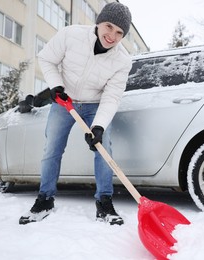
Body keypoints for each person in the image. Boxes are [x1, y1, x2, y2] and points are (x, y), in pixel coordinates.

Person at [19, 2, 132, 225]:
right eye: (109, 26)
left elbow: (111, 97)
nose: (112, 35)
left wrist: (98, 126)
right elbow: (47, 59)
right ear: (99, 22)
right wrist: (55, 85)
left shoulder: (122, 60)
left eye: (119, 32)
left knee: (103, 149)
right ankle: (45, 198)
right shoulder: (71, 35)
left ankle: (104, 202)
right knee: (52, 148)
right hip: (64, 101)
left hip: (94, 105)